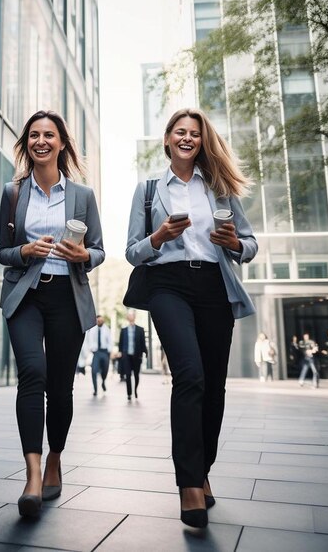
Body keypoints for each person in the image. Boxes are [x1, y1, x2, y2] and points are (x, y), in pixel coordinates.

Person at [125, 108, 257, 528]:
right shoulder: (148, 190)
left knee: (214, 385)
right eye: (179, 132)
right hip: (168, 285)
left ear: (202, 142)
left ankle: (202, 471)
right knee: (190, 375)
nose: (187, 138)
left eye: (194, 134)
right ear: (166, 140)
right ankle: (188, 484)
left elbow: (251, 245)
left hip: (214, 286)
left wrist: (234, 241)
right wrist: (158, 237)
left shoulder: (219, 188)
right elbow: (131, 251)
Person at [0, 109, 104, 517]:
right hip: (25, 295)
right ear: (27, 144)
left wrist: (83, 254)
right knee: (32, 375)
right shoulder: (12, 192)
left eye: (49, 135)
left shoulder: (82, 196)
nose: (42, 141)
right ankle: (32, 474)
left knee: (59, 388)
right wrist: (24, 251)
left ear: (61, 144)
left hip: (66, 296)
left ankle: (56, 458)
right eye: (34, 135)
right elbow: (2, 252)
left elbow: (99, 250)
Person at [118, 309, 147, 401]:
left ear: (134, 317)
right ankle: (129, 393)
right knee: (128, 374)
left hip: (137, 355)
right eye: (129, 315)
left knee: (136, 375)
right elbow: (120, 343)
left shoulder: (140, 330)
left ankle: (135, 390)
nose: (130, 317)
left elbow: (143, 343)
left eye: (132, 315)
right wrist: (120, 352)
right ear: (127, 317)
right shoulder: (123, 330)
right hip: (126, 355)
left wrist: (145, 352)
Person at [87, 315, 113, 396]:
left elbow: (110, 341)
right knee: (94, 371)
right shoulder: (93, 329)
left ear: (103, 321)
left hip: (105, 352)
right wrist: (92, 349)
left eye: (101, 321)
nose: (100, 322)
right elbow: (89, 340)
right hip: (97, 353)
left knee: (105, 370)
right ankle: (95, 390)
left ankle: (103, 382)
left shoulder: (107, 329)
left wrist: (109, 351)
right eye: (98, 321)